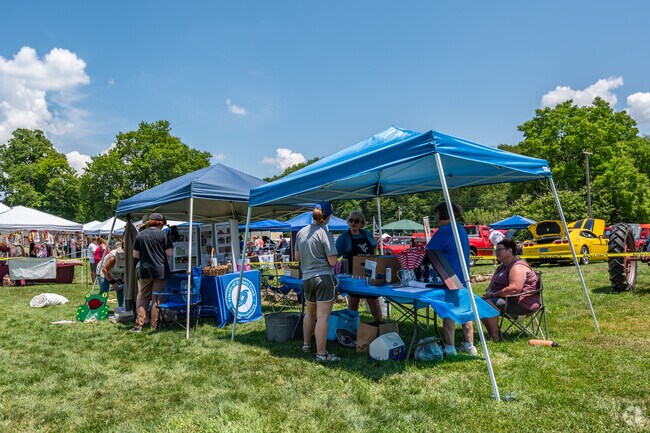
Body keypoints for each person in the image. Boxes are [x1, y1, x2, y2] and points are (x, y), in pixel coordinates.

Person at [426, 202, 478, 357]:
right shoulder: (461, 229)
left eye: (437, 214)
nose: (436, 217)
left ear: (443, 214)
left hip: (448, 277)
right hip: (463, 277)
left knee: (448, 312)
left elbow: (429, 250)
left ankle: (450, 347)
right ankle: (470, 346)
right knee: (465, 311)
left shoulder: (444, 231)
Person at [295, 202, 340, 362]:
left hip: (307, 278)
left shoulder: (300, 232)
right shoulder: (325, 233)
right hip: (323, 278)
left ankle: (306, 345)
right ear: (327, 217)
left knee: (310, 313)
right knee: (322, 317)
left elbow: (296, 258)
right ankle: (322, 354)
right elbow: (333, 261)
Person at [481, 238, 540, 341]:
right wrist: (489, 291)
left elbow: (514, 289)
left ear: (510, 251)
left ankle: (495, 337)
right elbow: (491, 284)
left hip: (522, 304)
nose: (496, 252)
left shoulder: (518, 267)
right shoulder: (501, 267)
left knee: (488, 303)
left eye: (500, 249)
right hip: (508, 299)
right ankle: (491, 334)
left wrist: (493, 295)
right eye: (496, 250)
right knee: (480, 303)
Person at [336, 210, 383, 323]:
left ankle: (379, 323)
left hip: (369, 273)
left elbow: (375, 246)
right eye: (351, 220)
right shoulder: (343, 238)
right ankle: (351, 324)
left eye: (357, 221)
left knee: (373, 299)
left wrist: (372, 257)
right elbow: (336, 254)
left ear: (362, 223)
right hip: (352, 275)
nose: (353, 223)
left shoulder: (367, 234)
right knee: (353, 300)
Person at [131, 213, 173, 333]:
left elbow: (135, 255)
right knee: (156, 298)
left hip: (145, 270)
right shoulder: (163, 235)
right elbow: (170, 253)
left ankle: (139, 325)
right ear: (161, 223)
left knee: (143, 297)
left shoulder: (141, 235)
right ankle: (154, 326)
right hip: (160, 270)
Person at [98, 242, 126, 309]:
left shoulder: (130, 258)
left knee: (120, 290)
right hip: (104, 272)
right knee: (104, 289)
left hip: (118, 273)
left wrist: (122, 280)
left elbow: (126, 271)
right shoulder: (113, 257)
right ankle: (100, 308)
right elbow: (104, 269)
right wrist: (113, 282)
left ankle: (121, 308)